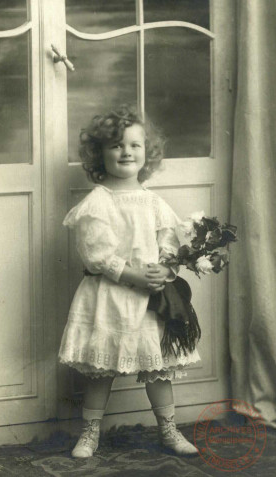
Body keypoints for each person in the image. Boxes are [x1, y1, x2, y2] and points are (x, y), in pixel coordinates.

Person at [58, 105, 201, 458]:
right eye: (116, 146)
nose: (126, 152)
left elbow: (169, 243)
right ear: (99, 154)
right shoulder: (98, 202)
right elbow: (97, 253)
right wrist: (135, 274)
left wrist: (167, 269)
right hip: (110, 294)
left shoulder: (153, 201)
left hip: (150, 298)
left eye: (135, 145)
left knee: (158, 369)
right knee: (101, 370)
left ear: (147, 153)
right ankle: (90, 432)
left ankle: (168, 429)